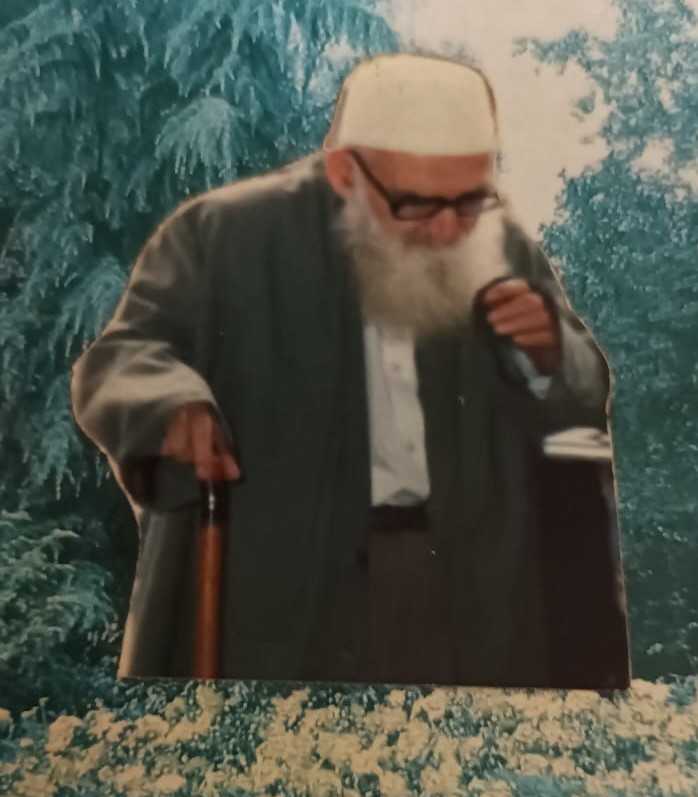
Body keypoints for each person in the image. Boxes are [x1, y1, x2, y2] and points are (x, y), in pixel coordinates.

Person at [71, 53, 622, 687]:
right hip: (284, 591)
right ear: (343, 172)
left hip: (462, 586)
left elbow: (586, 383)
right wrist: (171, 403)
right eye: (417, 203)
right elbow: (122, 357)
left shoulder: (500, 243)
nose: (451, 229)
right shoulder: (222, 234)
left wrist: (550, 350)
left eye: (471, 198)